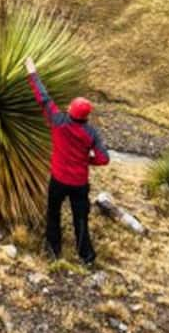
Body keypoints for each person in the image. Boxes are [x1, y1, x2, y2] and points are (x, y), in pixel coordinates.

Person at [24, 56, 110, 266]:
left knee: (53, 213)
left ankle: (53, 250)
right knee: (80, 218)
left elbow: (43, 98)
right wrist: (86, 160)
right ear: (86, 116)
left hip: (59, 179)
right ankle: (86, 257)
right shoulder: (91, 133)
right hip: (79, 183)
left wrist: (32, 72)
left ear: (71, 110)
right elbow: (104, 158)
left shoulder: (58, 121)